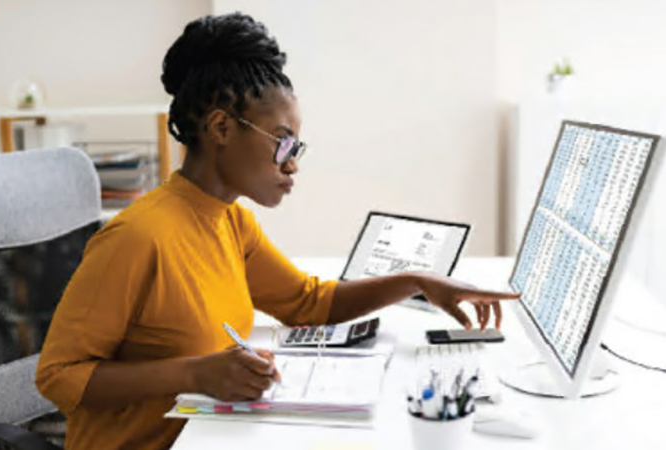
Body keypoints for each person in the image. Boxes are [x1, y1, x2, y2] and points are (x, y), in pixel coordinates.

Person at [36, 12, 519, 450]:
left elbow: (309, 304)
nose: (293, 165)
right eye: (284, 143)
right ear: (222, 128)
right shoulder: (137, 238)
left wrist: (417, 282)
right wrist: (195, 374)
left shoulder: (232, 221)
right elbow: (59, 376)